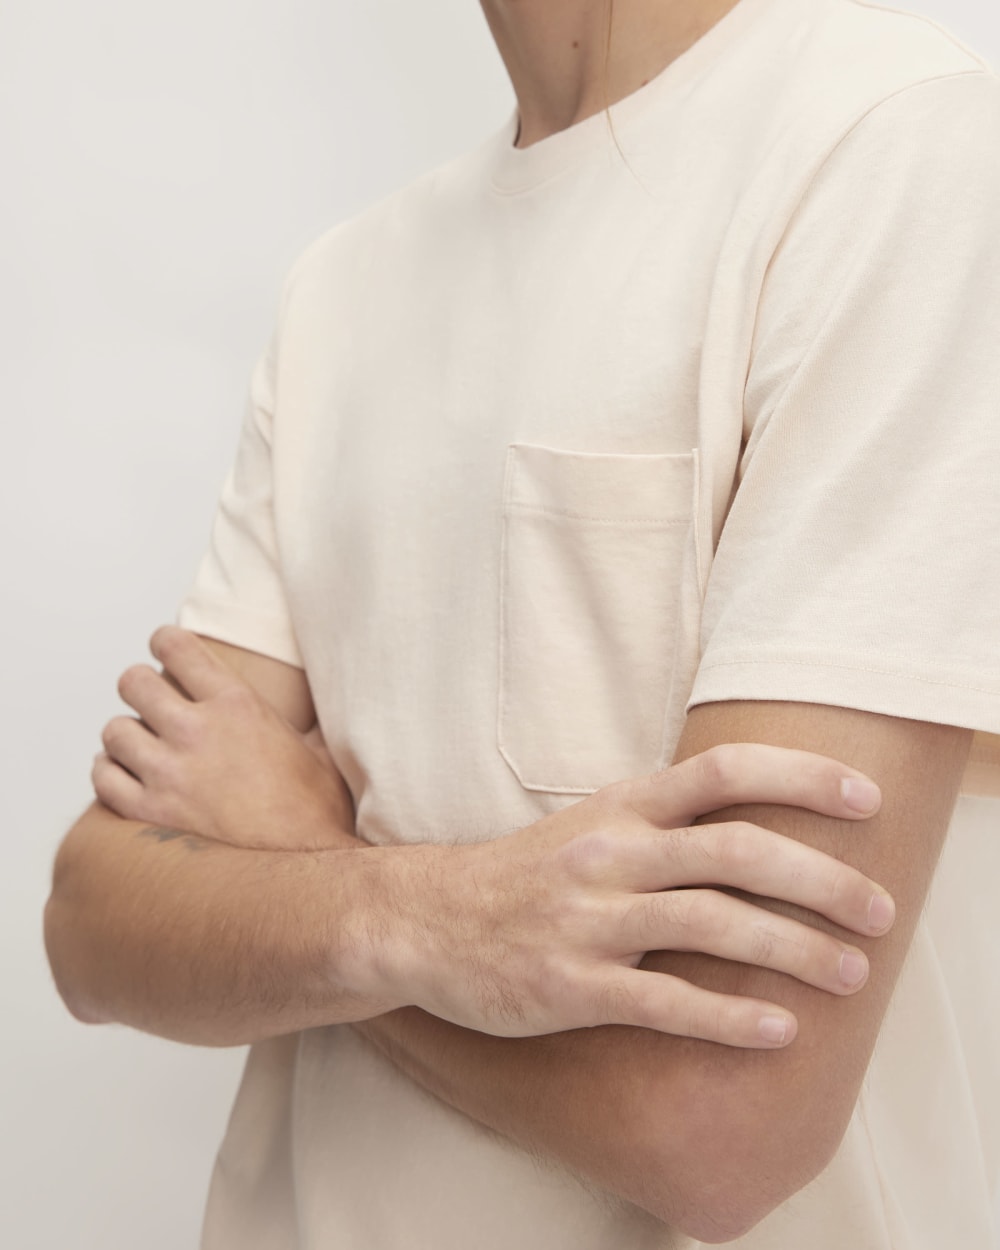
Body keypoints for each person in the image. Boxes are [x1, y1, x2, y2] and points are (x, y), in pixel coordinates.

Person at [44, 0, 1000, 1246]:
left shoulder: (886, 139)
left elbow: (722, 1122)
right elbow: (95, 922)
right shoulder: (343, 285)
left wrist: (317, 864)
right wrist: (414, 919)